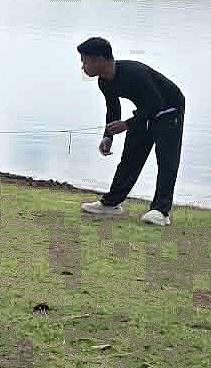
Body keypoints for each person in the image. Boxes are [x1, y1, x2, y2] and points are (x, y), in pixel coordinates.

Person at [76, 36, 185, 226]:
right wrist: (108, 136)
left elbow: (156, 104)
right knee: (130, 158)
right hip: (145, 111)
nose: (82, 66)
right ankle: (111, 204)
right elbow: (113, 109)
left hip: (169, 109)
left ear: (99, 60)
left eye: (84, 60)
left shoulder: (134, 72)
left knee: (167, 161)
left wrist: (126, 125)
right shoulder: (104, 81)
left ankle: (160, 211)